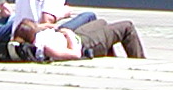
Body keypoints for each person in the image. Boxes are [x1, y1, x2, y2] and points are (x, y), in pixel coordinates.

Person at [16, 17, 146, 60]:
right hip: (83, 44)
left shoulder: (35, 39)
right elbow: (75, 54)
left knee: (101, 22)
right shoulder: (46, 46)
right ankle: (139, 61)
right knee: (127, 27)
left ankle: (110, 55)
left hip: (76, 35)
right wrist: (69, 35)